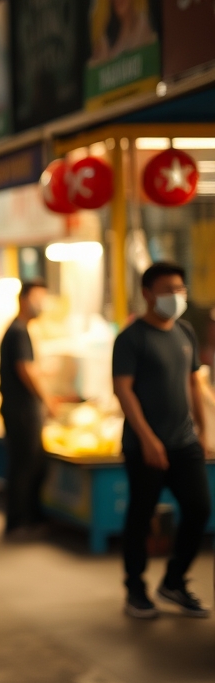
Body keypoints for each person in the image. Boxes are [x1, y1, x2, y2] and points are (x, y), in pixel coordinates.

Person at [112, 262, 211, 619]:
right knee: (140, 515)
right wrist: (148, 439)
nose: (175, 296)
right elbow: (123, 390)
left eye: (180, 289)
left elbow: (193, 382)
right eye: (167, 289)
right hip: (145, 445)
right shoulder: (131, 338)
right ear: (148, 293)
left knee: (199, 509)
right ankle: (135, 589)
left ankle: (174, 581)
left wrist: (203, 430)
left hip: (184, 442)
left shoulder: (185, 331)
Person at [0, 280, 60, 540]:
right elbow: (24, 369)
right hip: (22, 410)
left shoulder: (18, 329)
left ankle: (26, 520)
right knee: (26, 466)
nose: (42, 304)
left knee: (28, 465)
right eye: (39, 297)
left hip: (18, 409)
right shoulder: (18, 331)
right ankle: (19, 523)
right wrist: (47, 400)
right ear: (24, 299)